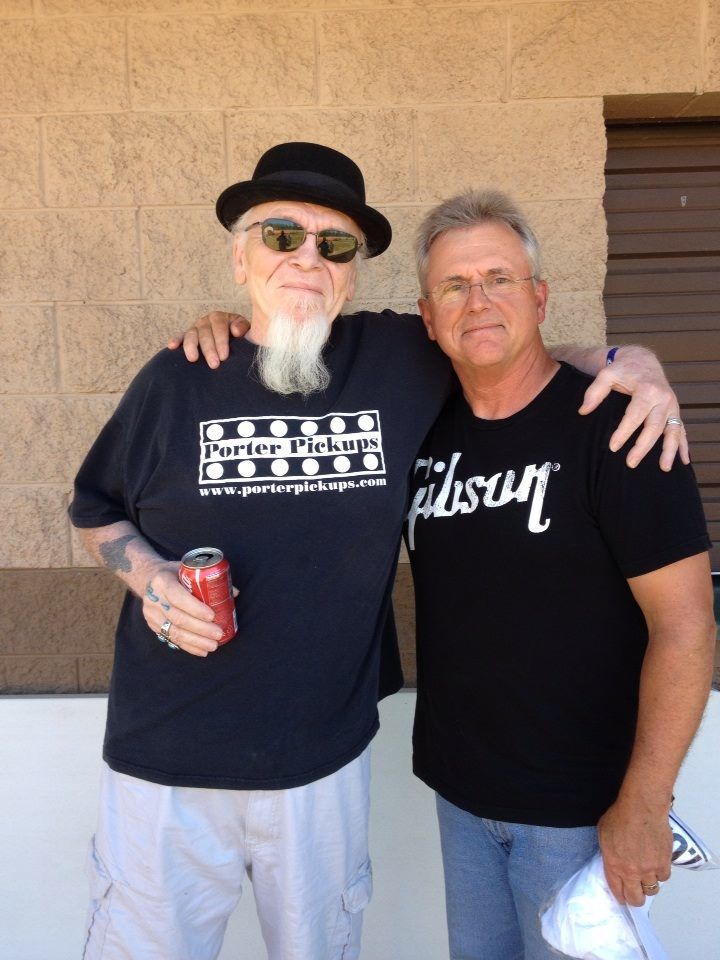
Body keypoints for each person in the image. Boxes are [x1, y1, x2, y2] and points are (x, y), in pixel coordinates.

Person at [72, 142, 682, 960]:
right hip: (164, 761)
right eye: (281, 235)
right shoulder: (176, 378)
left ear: (353, 275)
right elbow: (97, 508)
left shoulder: (397, 359)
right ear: (240, 258)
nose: (306, 258)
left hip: (321, 763)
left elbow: (505, 343)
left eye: (334, 244)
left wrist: (627, 361)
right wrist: (150, 579)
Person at [405, 189, 715, 960]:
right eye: (454, 285)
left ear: (539, 297)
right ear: (427, 316)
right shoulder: (423, 427)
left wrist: (644, 804)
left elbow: (686, 627)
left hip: (582, 812)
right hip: (461, 799)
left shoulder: (620, 428)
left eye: (499, 278)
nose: (478, 301)